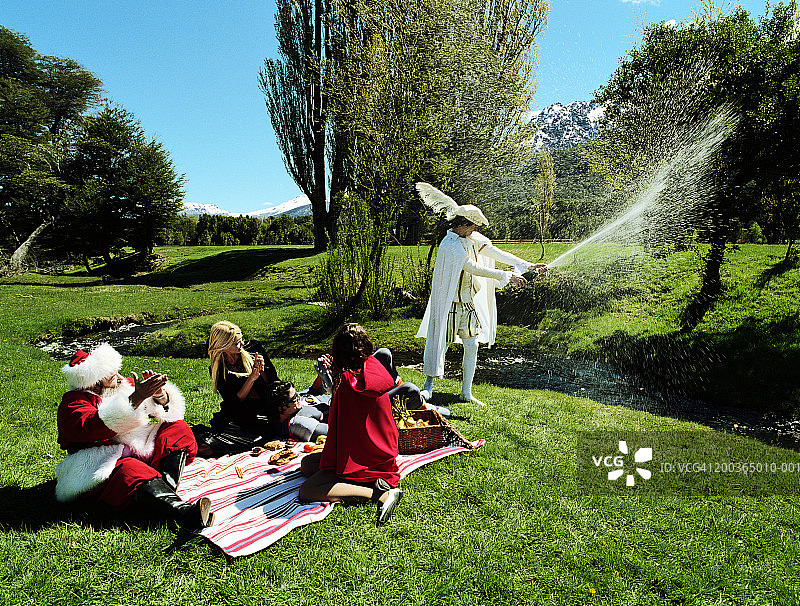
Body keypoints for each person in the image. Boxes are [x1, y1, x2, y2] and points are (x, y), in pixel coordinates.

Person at [55, 343, 214, 531]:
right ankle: (186, 513)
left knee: (178, 430)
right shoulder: (74, 402)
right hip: (104, 462)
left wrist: (159, 395)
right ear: (95, 379)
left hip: (137, 446)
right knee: (132, 471)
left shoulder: (122, 385)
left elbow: (168, 411)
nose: (118, 374)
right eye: (110, 372)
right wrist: (135, 399)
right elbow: (90, 427)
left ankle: (164, 489)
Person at [416, 187, 546, 406]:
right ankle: (428, 386)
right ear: (464, 224)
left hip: (466, 303)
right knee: (441, 343)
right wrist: (506, 275)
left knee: (472, 345)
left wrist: (527, 265)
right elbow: (472, 267)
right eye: (473, 226)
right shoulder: (450, 245)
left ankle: (466, 392)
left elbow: (495, 252)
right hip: (450, 304)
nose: (475, 230)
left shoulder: (471, 238)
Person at [299, 323, 403, 525]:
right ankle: (375, 482)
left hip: (365, 460)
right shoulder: (373, 368)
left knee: (308, 490)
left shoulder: (347, 387)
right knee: (306, 465)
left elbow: (341, 432)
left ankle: (379, 494)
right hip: (383, 454)